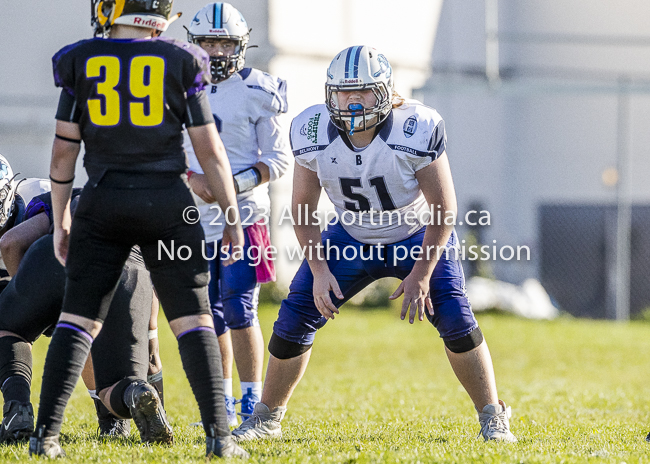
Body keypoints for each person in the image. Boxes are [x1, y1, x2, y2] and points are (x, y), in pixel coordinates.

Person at [232, 46, 517, 443]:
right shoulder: (312, 130)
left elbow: (444, 209)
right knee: (295, 314)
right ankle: (267, 418)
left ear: (384, 92)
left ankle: (493, 414)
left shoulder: (414, 127)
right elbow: (302, 208)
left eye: (362, 91)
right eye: (343, 92)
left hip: (416, 235)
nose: (351, 100)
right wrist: (317, 271)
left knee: (454, 317)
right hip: (351, 235)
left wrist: (421, 272)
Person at [29, 0, 248, 459]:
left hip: (104, 198)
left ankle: (45, 436)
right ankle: (220, 440)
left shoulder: (81, 58)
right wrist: (232, 216)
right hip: (168, 202)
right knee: (193, 317)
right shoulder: (183, 60)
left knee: (77, 319)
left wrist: (62, 214)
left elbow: (62, 154)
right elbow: (210, 153)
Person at [185, 2, 290, 426]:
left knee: (240, 307)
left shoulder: (258, 89)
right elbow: (170, 151)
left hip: (245, 217)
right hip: (194, 217)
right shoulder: (179, 86)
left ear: (240, 45)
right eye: (207, 42)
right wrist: (194, 183)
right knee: (206, 313)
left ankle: (251, 401)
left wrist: (230, 187)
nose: (214, 50)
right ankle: (222, 402)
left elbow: (279, 159)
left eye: (223, 42)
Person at [0, 192, 165, 443]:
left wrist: (32, 304)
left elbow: (11, 243)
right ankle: (133, 394)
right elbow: (151, 332)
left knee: (8, 328)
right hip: (129, 273)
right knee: (116, 384)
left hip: (60, 254)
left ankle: (17, 407)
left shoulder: (59, 192)